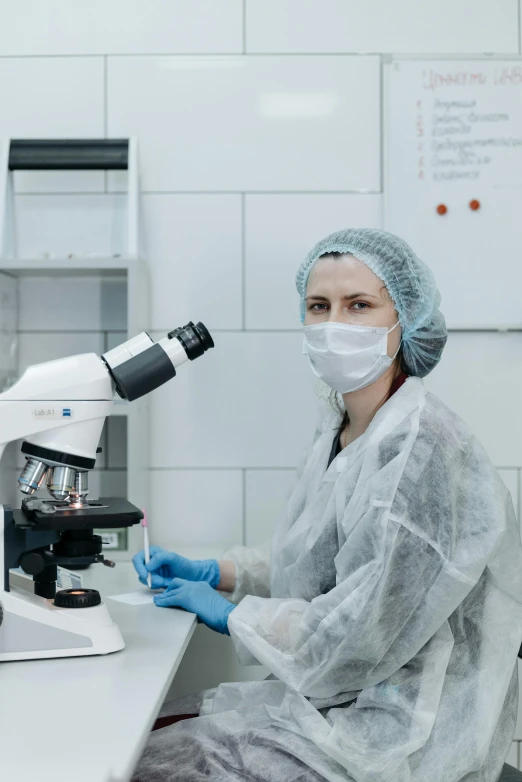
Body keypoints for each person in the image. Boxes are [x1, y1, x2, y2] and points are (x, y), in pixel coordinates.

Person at [131, 228, 522, 782]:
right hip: (335, 702)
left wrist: (232, 615)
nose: (334, 323)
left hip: (397, 733)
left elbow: (358, 636)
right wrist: (219, 573)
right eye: (319, 306)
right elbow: (323, 568)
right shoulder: (345, 428)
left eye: (358, 305)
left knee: (146, 767)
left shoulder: (420, 452)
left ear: (404, 320)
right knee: (156, 735)